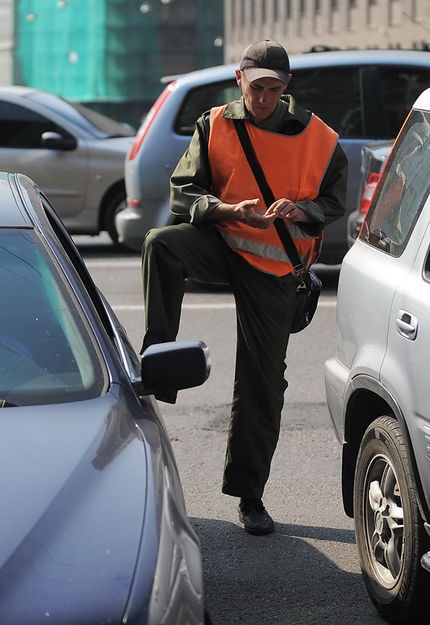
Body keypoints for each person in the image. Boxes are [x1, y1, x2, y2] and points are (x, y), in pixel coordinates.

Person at [141, 40, 348, 535]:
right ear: (240, 80)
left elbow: (335, 200)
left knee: (261, 384)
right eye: (256, 88)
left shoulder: (321, 138)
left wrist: (304, 210)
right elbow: (182, 190)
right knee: (161, 244)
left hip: (276, 270)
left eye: (274, 89)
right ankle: (159, 363)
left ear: (287, 87)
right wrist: (225, 210)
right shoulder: (215, 124)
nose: (264, 98)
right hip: (224, 244)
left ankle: (249, 496)